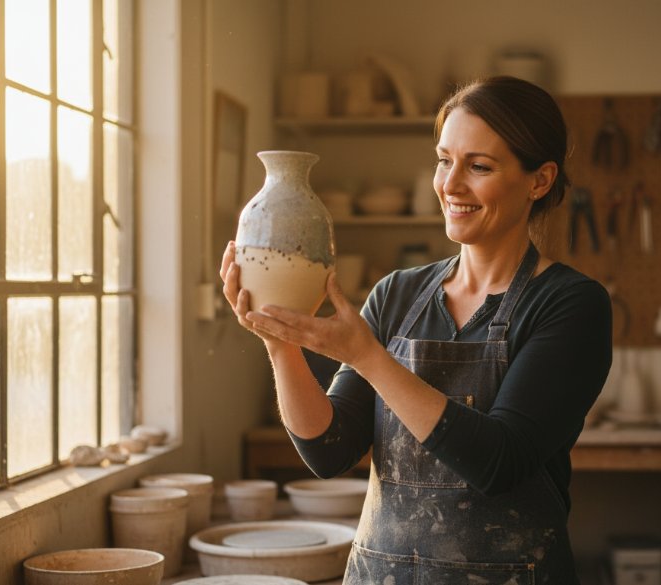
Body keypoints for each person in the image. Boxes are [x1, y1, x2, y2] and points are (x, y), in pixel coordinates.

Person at [220, 76, 612, 584]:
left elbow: (499, 462)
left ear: (539, 180)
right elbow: (329, 449)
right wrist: (281, 347)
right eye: (444, 160)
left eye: (479, 166)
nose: (451, 185)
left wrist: (369, 358)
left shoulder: (570, 303)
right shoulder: (398, 293)